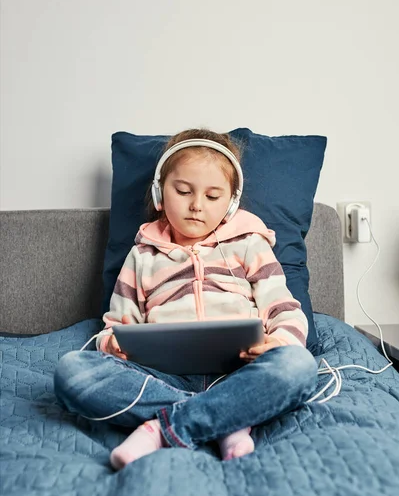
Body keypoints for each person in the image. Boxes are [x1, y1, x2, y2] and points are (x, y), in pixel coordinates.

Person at [53, 128, 317, 470]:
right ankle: (229, 417)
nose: (196, 205)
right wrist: (111, 344)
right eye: (183, 191)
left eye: (212, 196)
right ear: (160, 193)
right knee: (71, 371)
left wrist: (277, 342)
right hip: (159, 377)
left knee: (299, 365)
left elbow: (287, 313)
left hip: (242, 372)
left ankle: (161, 429)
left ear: (231, 203)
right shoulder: (142, 256)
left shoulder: (250, 245)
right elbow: (117, 325)